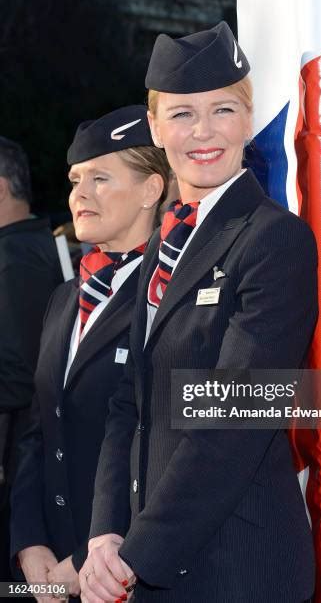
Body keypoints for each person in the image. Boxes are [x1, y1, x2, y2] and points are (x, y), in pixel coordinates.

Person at [81, 22, 318, 603]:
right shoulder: (165, 245)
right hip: (156, 562)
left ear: (247, 119)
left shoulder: (273, 239)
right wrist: (105, 533)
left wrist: (136, 555)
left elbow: (236, 414)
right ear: (155, 128)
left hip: (237, 567)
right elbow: (129, 402)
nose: (204, 131)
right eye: (182, 114)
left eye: (223, 110)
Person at [10, 105, 169, 601]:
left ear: (151, 189)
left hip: (122, 566)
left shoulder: (169, 295)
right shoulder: (65, 297)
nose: (79, 194)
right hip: (48, 563)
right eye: (75, 180)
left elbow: (171, 448)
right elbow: (37, 427)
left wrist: (85, 560)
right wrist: (28, 540)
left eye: (100, 178)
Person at [0, 136, 62, 582]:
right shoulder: (36, 244)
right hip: (32, 466)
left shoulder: (12, 258)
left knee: (18, 588)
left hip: (22, 469)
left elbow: (19, 374)